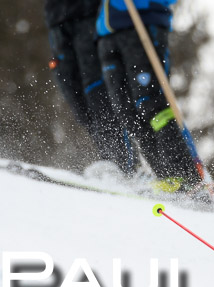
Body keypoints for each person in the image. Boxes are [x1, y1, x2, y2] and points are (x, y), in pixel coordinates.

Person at [95, 0, 203, 193]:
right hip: (108, 34)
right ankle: (166, 178)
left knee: (150, 103)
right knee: (126, 112)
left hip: (143, 25)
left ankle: (184, 177)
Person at [44, 0, 136, 174]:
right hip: (56, 20)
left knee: (98, 93)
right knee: (76, 99)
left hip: (90, 15)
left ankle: (125, 165)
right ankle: (110, 161)